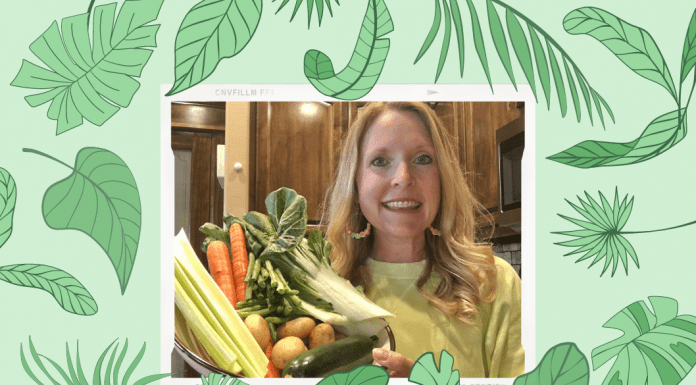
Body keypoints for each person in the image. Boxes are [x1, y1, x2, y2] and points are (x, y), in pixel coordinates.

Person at [322, 102, 524, 378]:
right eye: (380, 161)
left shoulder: (493, 283)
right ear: (356, 185)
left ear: (442, 179)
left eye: (422, 159)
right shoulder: (323, 294)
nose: (403, 178)